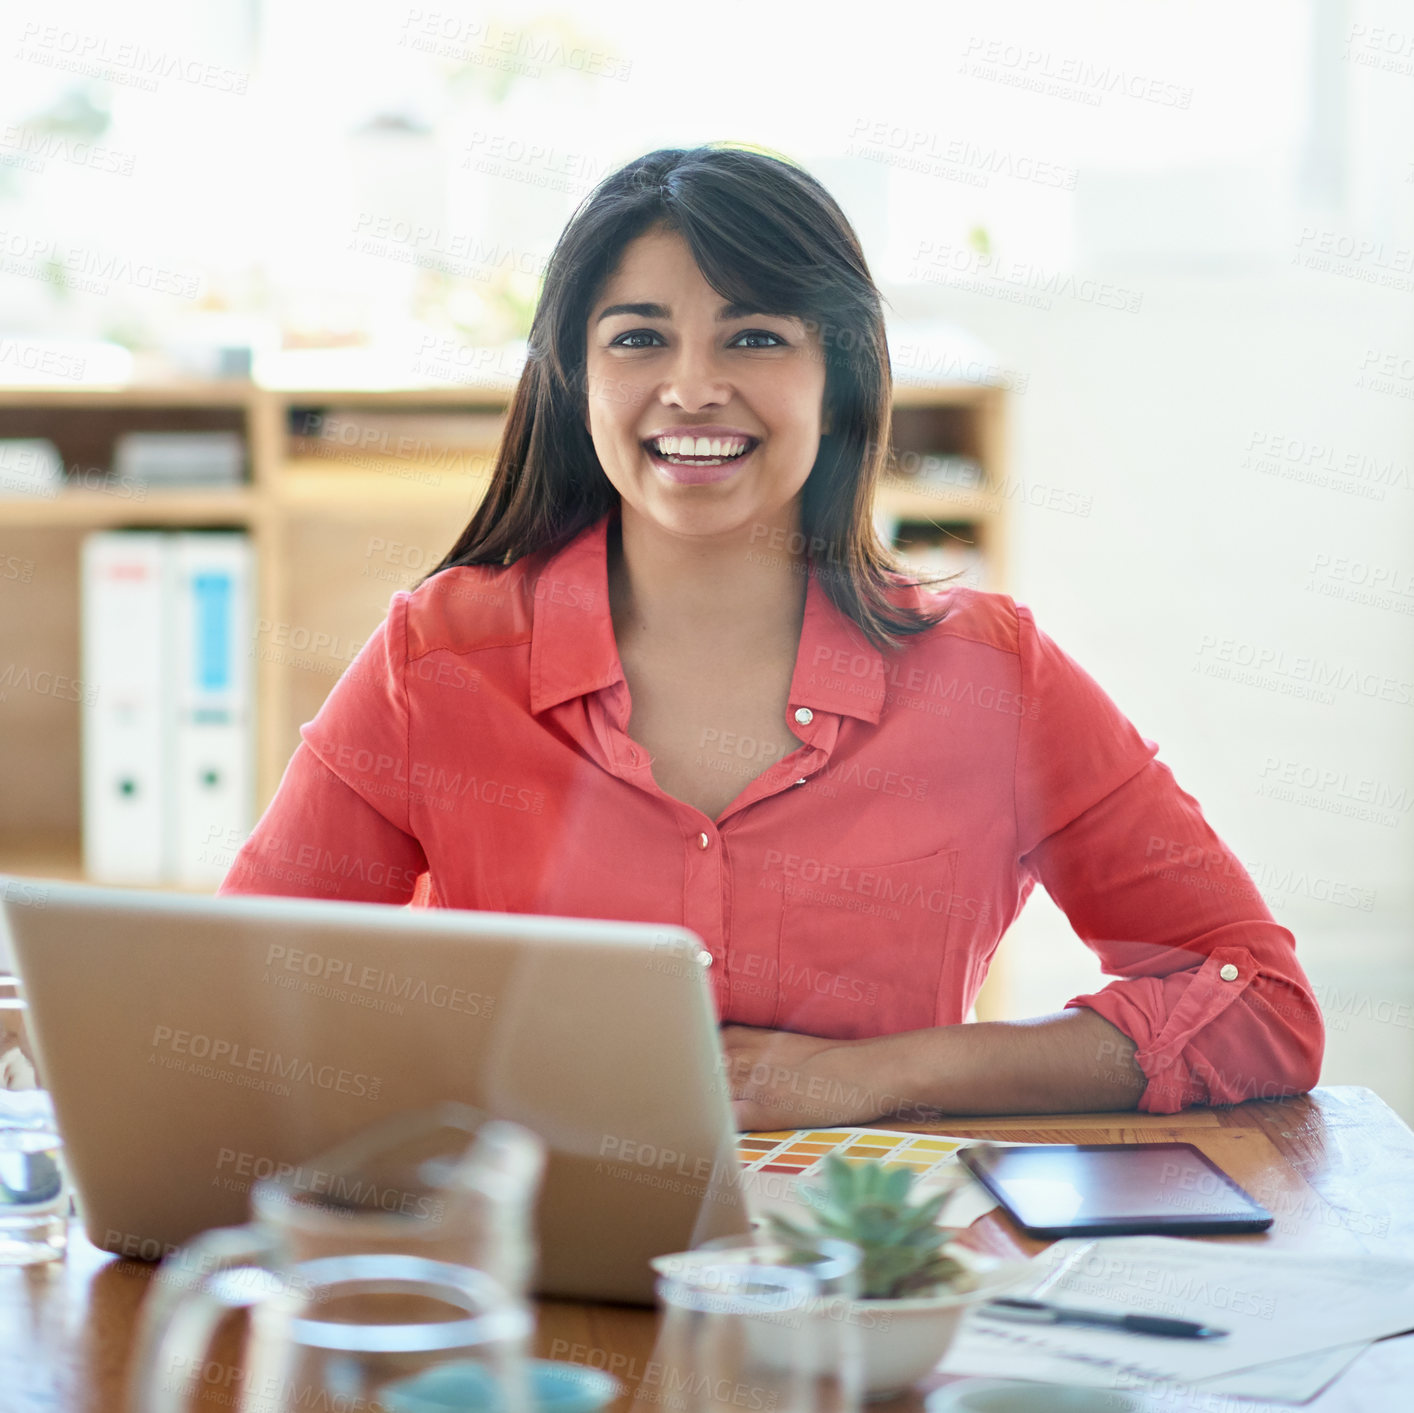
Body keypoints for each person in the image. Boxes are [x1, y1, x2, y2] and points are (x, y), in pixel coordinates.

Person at [218, 143, 1323, 1129]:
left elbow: (1258, 1009)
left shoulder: (993, 677)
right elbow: (241, 994)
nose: (692, 388)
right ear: (576, 378)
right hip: (531, 1269)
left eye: (754, 336)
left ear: (837, 373)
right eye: (637, 338)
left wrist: (876, 1075)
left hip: (860, 1280)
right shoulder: (438, 660)